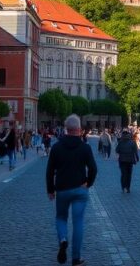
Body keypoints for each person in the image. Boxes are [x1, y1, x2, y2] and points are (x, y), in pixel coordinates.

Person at [46, 114, 96, 266]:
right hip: (79, 189)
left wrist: (50, 189)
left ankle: (62, 239)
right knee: (78, 222)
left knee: (61, 218)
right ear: (79, 130)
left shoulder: (56, 147)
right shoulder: (84, 147)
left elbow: (49, 170)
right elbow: (93, 169)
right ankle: (76, 258)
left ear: (66, 129)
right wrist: (88, 183)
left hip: (62, 189)